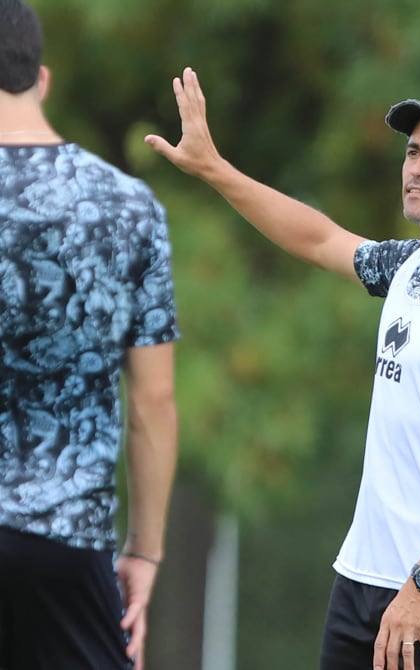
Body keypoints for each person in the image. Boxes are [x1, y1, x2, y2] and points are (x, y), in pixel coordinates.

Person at [145, 69, 420, 670]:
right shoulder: (408, 267)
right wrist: (213, 168)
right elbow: (316, 238)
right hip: (365, 582)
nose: (418, 168)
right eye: (413, 152)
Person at [0, 1, 180, 669]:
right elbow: (152, 403)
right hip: (68, 542)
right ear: (39, 79)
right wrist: (144, 549)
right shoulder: (128, 205)